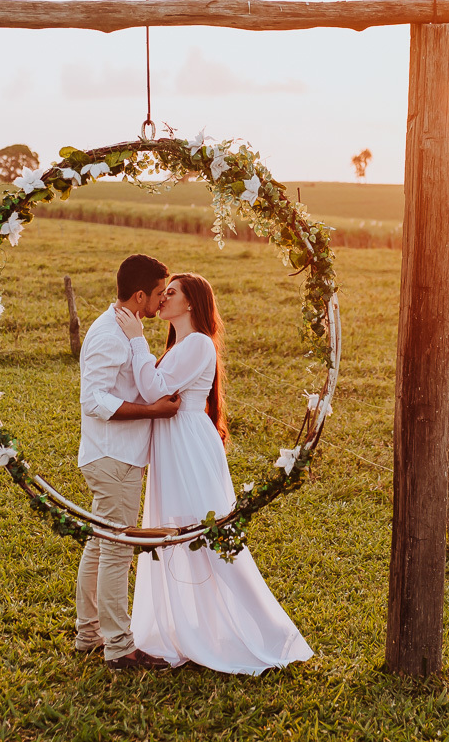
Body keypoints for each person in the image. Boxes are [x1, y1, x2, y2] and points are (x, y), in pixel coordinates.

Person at [114, 273, 314, 675]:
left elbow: (154, 390)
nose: (163, 298)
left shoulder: (199, 343)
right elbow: (153, 388)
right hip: (172, 445)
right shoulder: (178, 346)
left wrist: (136, 339)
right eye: (163, 292)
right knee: (175, 536)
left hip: (187, 445)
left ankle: (268, 634)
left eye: (172, 293)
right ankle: (188, 629)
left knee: (207, 535)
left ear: (191, 304)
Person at [75, 254, 180, 671]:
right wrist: (153, 411)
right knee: (118, 549)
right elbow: (94, 400)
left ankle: (88, 633)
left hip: (114, 456)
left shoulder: (127, 328)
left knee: (102, 544)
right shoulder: (109, 335)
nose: (161, 301)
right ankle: (119, 646)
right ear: (140, 295)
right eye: (158, 294)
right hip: (112, 457)